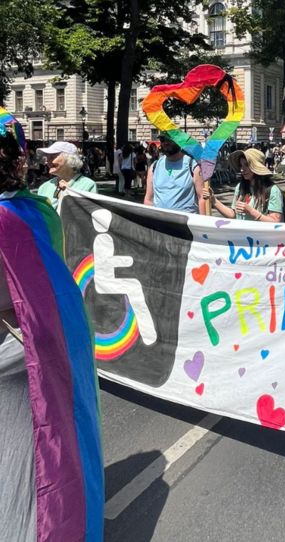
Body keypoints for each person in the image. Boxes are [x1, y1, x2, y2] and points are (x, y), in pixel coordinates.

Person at [0, 131, 104, 542]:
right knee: (42, 453)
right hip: (37, 347)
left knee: (20, 465)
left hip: (13, 357)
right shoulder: (37, 210)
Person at [203, 148, 282, 222]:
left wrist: (251, 211)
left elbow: (275, 222)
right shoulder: (240, 187)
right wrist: (213, 200)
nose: (242, 169)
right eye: (240, 165)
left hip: (261, 236)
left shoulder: (272, 190)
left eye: (246, 165)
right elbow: (232, 215)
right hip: (241, 236)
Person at [144, 135, 205, 214]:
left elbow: (202, 198)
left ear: (178, 141)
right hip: (159, 222)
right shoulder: (154, 167)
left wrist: (202, 223)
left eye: (170, 139)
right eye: (162, 140)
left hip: (185, 223)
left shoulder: (193, 166)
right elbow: (148, 199)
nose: (166, 142)